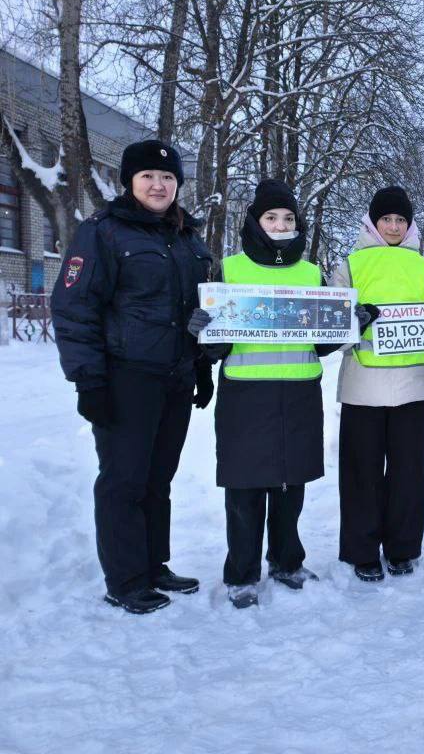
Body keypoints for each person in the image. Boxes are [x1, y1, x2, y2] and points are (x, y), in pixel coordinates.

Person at [51, 140, 212, 614]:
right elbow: (74, 308)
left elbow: (199, 310)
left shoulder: (188, 237)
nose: (158, 185)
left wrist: (202, 366)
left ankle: (153, 565)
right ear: (130, 182)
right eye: (148, 177)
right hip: (126, 377)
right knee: (124, 481)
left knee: (158, 479)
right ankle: (125, 580)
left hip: (176, 376)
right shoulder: (102, 232)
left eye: (167, 177)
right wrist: (89, 381)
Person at [188, 179, 343, 609]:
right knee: (245, 490)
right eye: (271, 217)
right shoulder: (230, 269)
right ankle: (241, 574)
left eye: (288, 218)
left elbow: (321, 342)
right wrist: (203, 331)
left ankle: (287, 562)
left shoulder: (311, 273)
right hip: (246, 396)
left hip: (299, 394)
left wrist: (351, 323)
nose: (280, 225)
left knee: (291, 486)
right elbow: (217, 347)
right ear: (255, 222)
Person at [330, 186, 424, 582]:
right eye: (386, 219)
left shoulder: (423, 267)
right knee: (361, 473)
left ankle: (402, 548)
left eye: (401, 219)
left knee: (407, 474)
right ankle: (363, 551)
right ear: (373, 222)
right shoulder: (351, 265)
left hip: (410, 385)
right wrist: (354, 321)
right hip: (362, 383)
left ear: (410, 224)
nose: (394, 226)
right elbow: (331, 320)